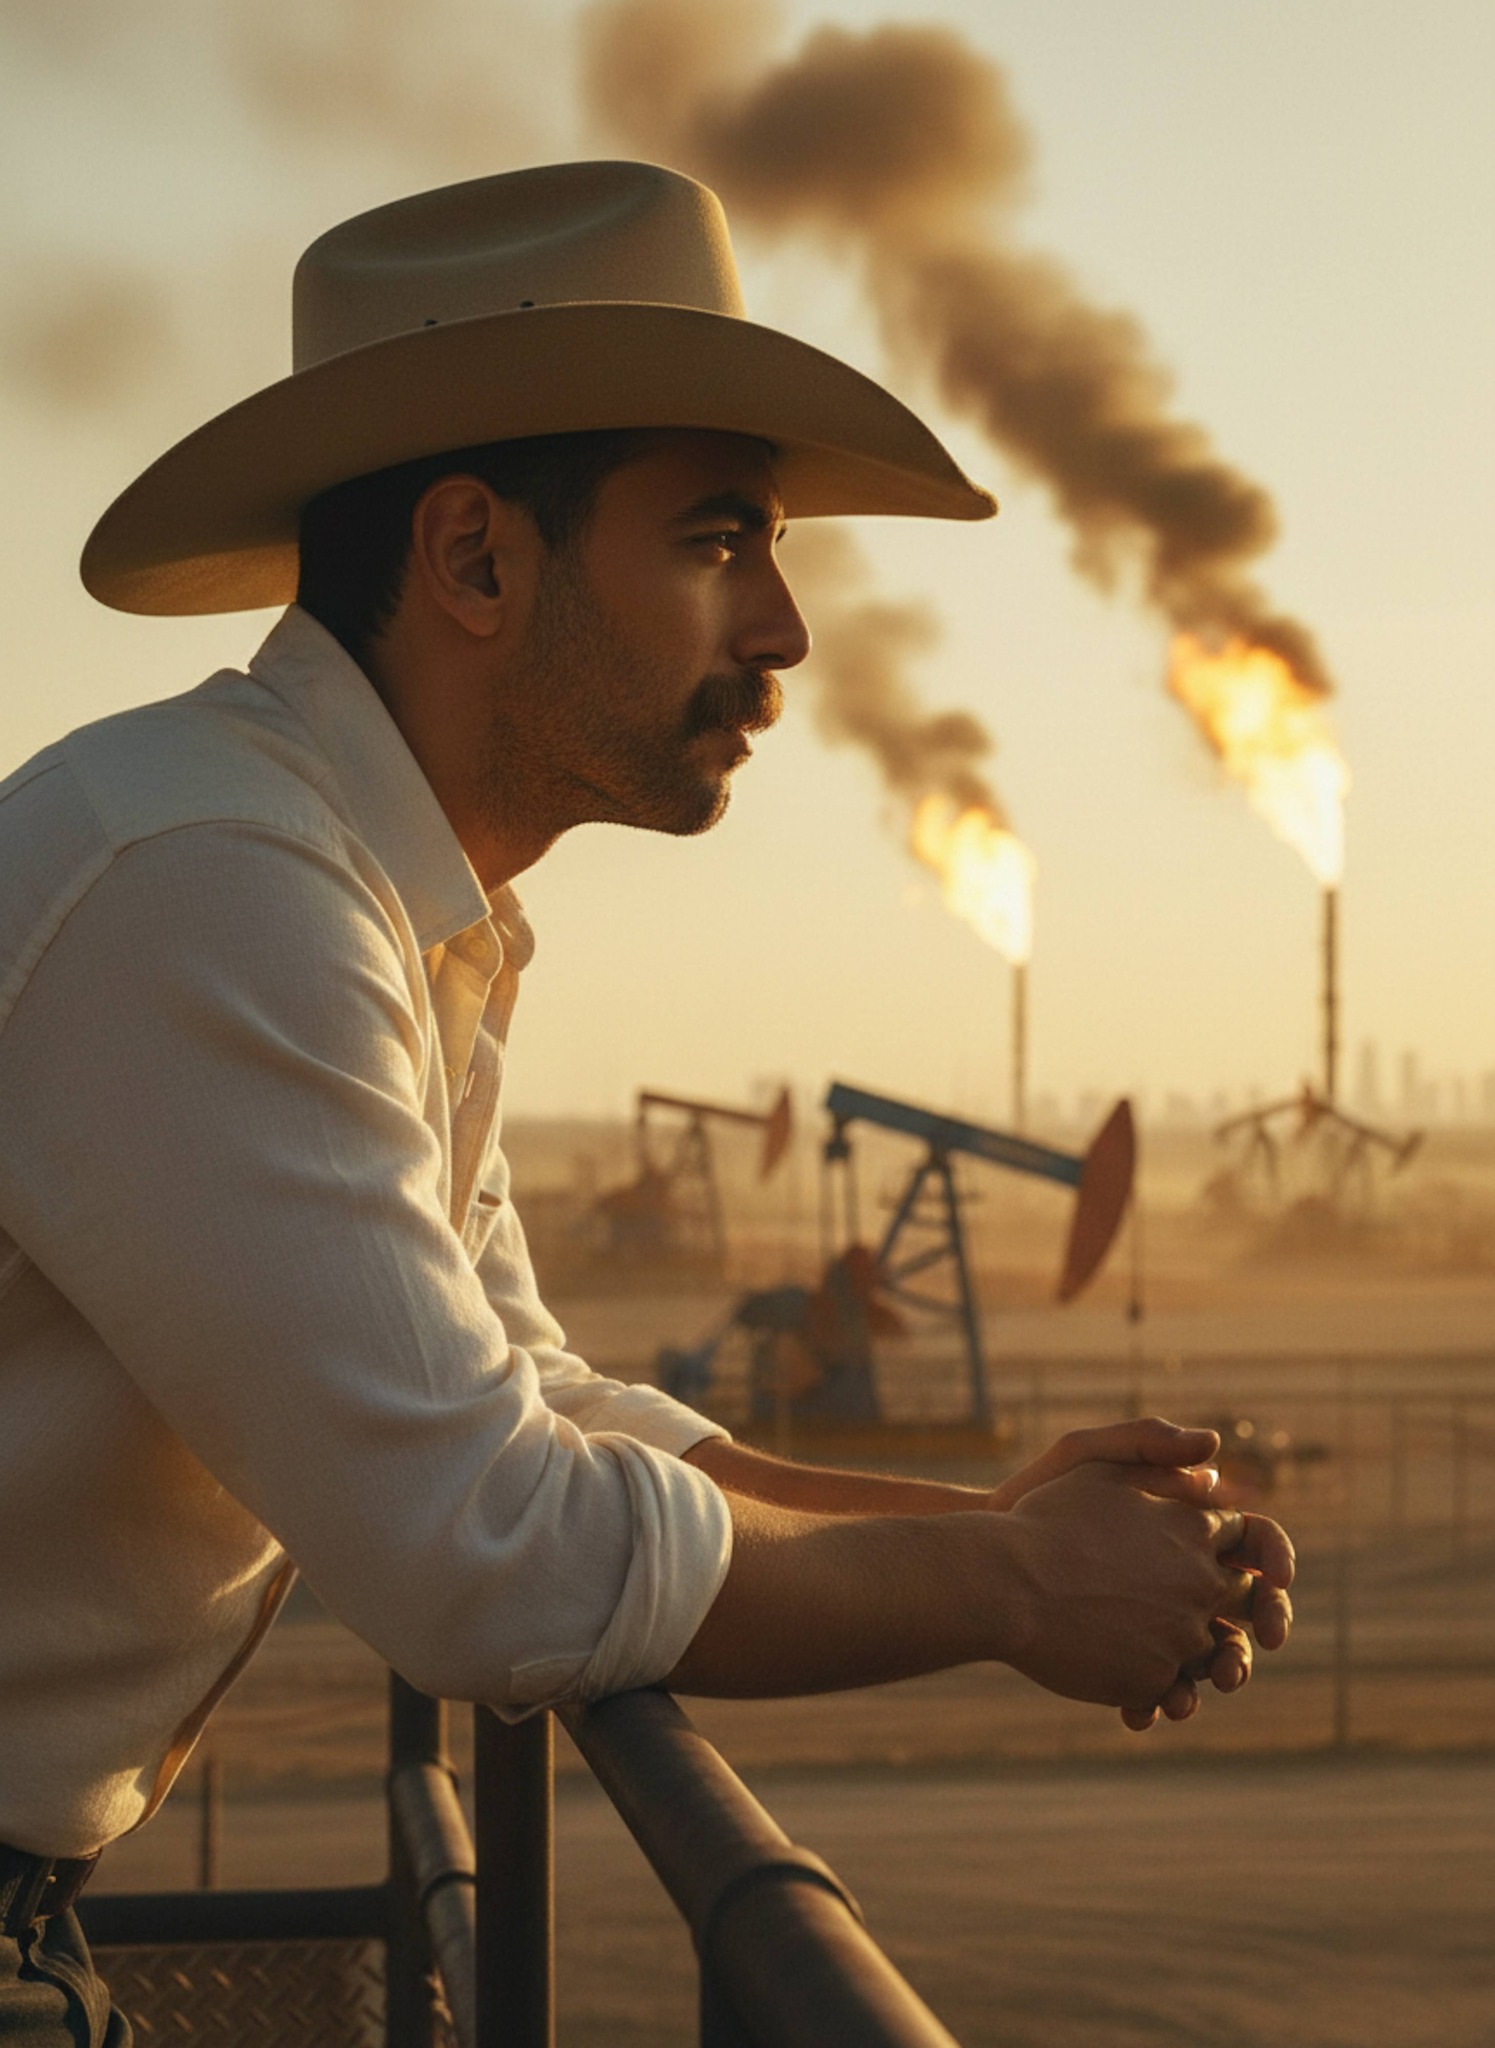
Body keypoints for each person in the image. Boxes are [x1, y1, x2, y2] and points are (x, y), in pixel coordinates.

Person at [0, 162, 1293, 2041]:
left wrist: (974, 1519)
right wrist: (1009, 1587)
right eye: (718, 540)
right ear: (474, 558)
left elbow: (533, 1403)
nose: (784, 627)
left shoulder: (366, 900)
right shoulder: (214, 886)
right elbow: (487, 1546)